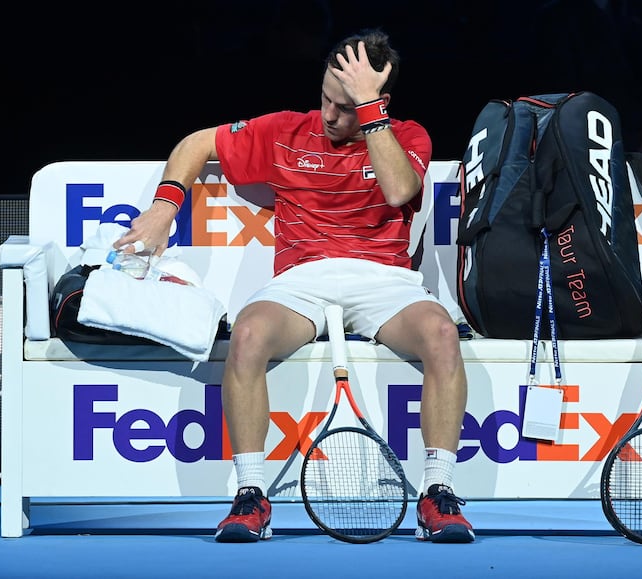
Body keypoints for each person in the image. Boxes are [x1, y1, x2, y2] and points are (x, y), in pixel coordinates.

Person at [114, 28, 474, 544]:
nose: (330, 115)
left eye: (345, 107)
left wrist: (367, 109)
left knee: (442, 335)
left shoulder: (409, 137)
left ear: (378, 101)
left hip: (385, 281)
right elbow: (198, 142)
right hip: (302, 281)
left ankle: (437, 493)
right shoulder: (286, 131)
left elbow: (398, 190)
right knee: (248, 336)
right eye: (326, 98)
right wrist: (163, 207)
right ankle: (251, 496)